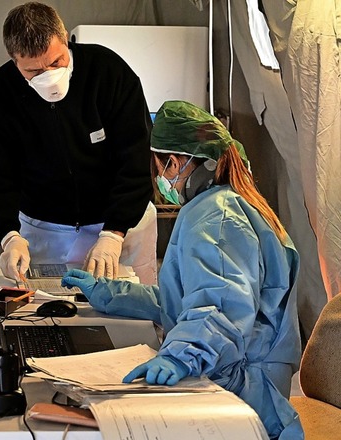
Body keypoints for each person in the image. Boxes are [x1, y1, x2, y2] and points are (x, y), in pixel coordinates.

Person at [62, 100, 303, 439]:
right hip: (235, 367)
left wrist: (179, 357)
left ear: (174, 162)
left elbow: (219, 306)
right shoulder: (226, 203)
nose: (160, 179)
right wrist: (110, 294)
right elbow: (185, 299)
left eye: (160, 168)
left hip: (241, 391)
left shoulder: (216, 217)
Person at [0, 2, 157, 283]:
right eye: (33, 71)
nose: (48, 77)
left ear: (65, 37)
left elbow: (137, 158)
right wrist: (9, 236)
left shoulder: (109, 73)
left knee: (134, 315)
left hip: (121, 225)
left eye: (57, 62)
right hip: (44, 230)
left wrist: (114, 232)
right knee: (48, 314)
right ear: (14, 59)